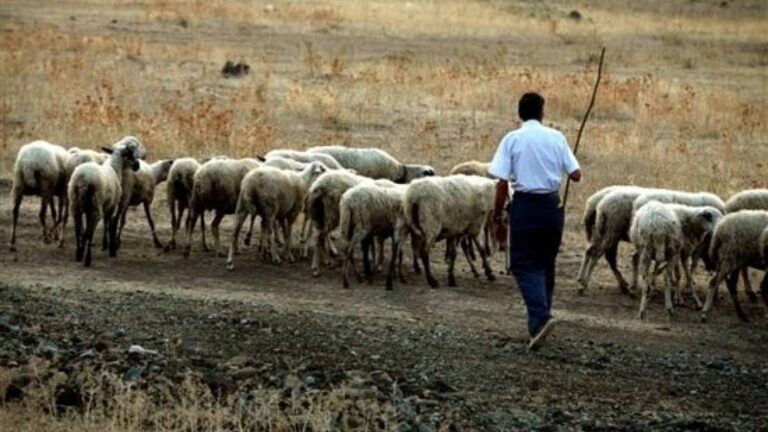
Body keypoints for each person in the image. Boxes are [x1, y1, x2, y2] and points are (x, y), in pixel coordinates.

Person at [487, 92, 582, 350]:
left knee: (524, 264)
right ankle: (537, 327)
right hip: (552, 207)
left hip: (526, 206)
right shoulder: (557, 137)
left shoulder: (512, 139)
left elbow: (501, 183)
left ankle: (541, 319)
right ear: (542, 112)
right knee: (545, 262)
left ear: (520, 113)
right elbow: (576, 175)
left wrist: (497, 218)